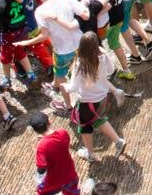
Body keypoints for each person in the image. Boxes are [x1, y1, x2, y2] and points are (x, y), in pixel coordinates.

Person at [65, 32, 127, 162]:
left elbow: (73, 87)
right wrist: (105, 54)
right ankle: (118, 141)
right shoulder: (103, 57)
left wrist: (65, 87)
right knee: (98, 120)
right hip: (102, 98)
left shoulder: (80, 63)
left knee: (85, 126)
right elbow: (111, 70)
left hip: (86, 102)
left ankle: (90, 154)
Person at [29, 111, 80, 195]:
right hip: (70, 174)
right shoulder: (63, 132)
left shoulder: (41, 146)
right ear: (49, 121)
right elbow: (61, 143)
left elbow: (41, 168)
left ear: (36, 131)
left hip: (53, 180)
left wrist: (38, 180)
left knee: (42, 192)